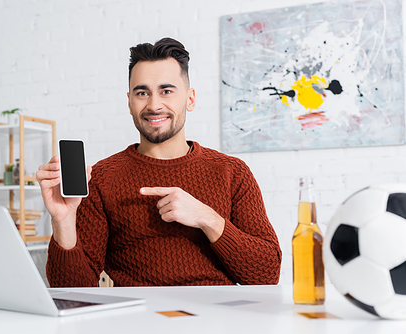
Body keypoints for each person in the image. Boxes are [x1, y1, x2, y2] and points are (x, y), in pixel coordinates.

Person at [37, 37, 282, 287]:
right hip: (140, 320)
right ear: (130, 103)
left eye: (166, 91)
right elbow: (72, 291)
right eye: (142, 93)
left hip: (217, 319)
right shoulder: (101, 178)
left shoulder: (232, 172)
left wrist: (207, 218)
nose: (154, 105)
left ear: (190, 99)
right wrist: (63, 221)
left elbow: (267, 274)